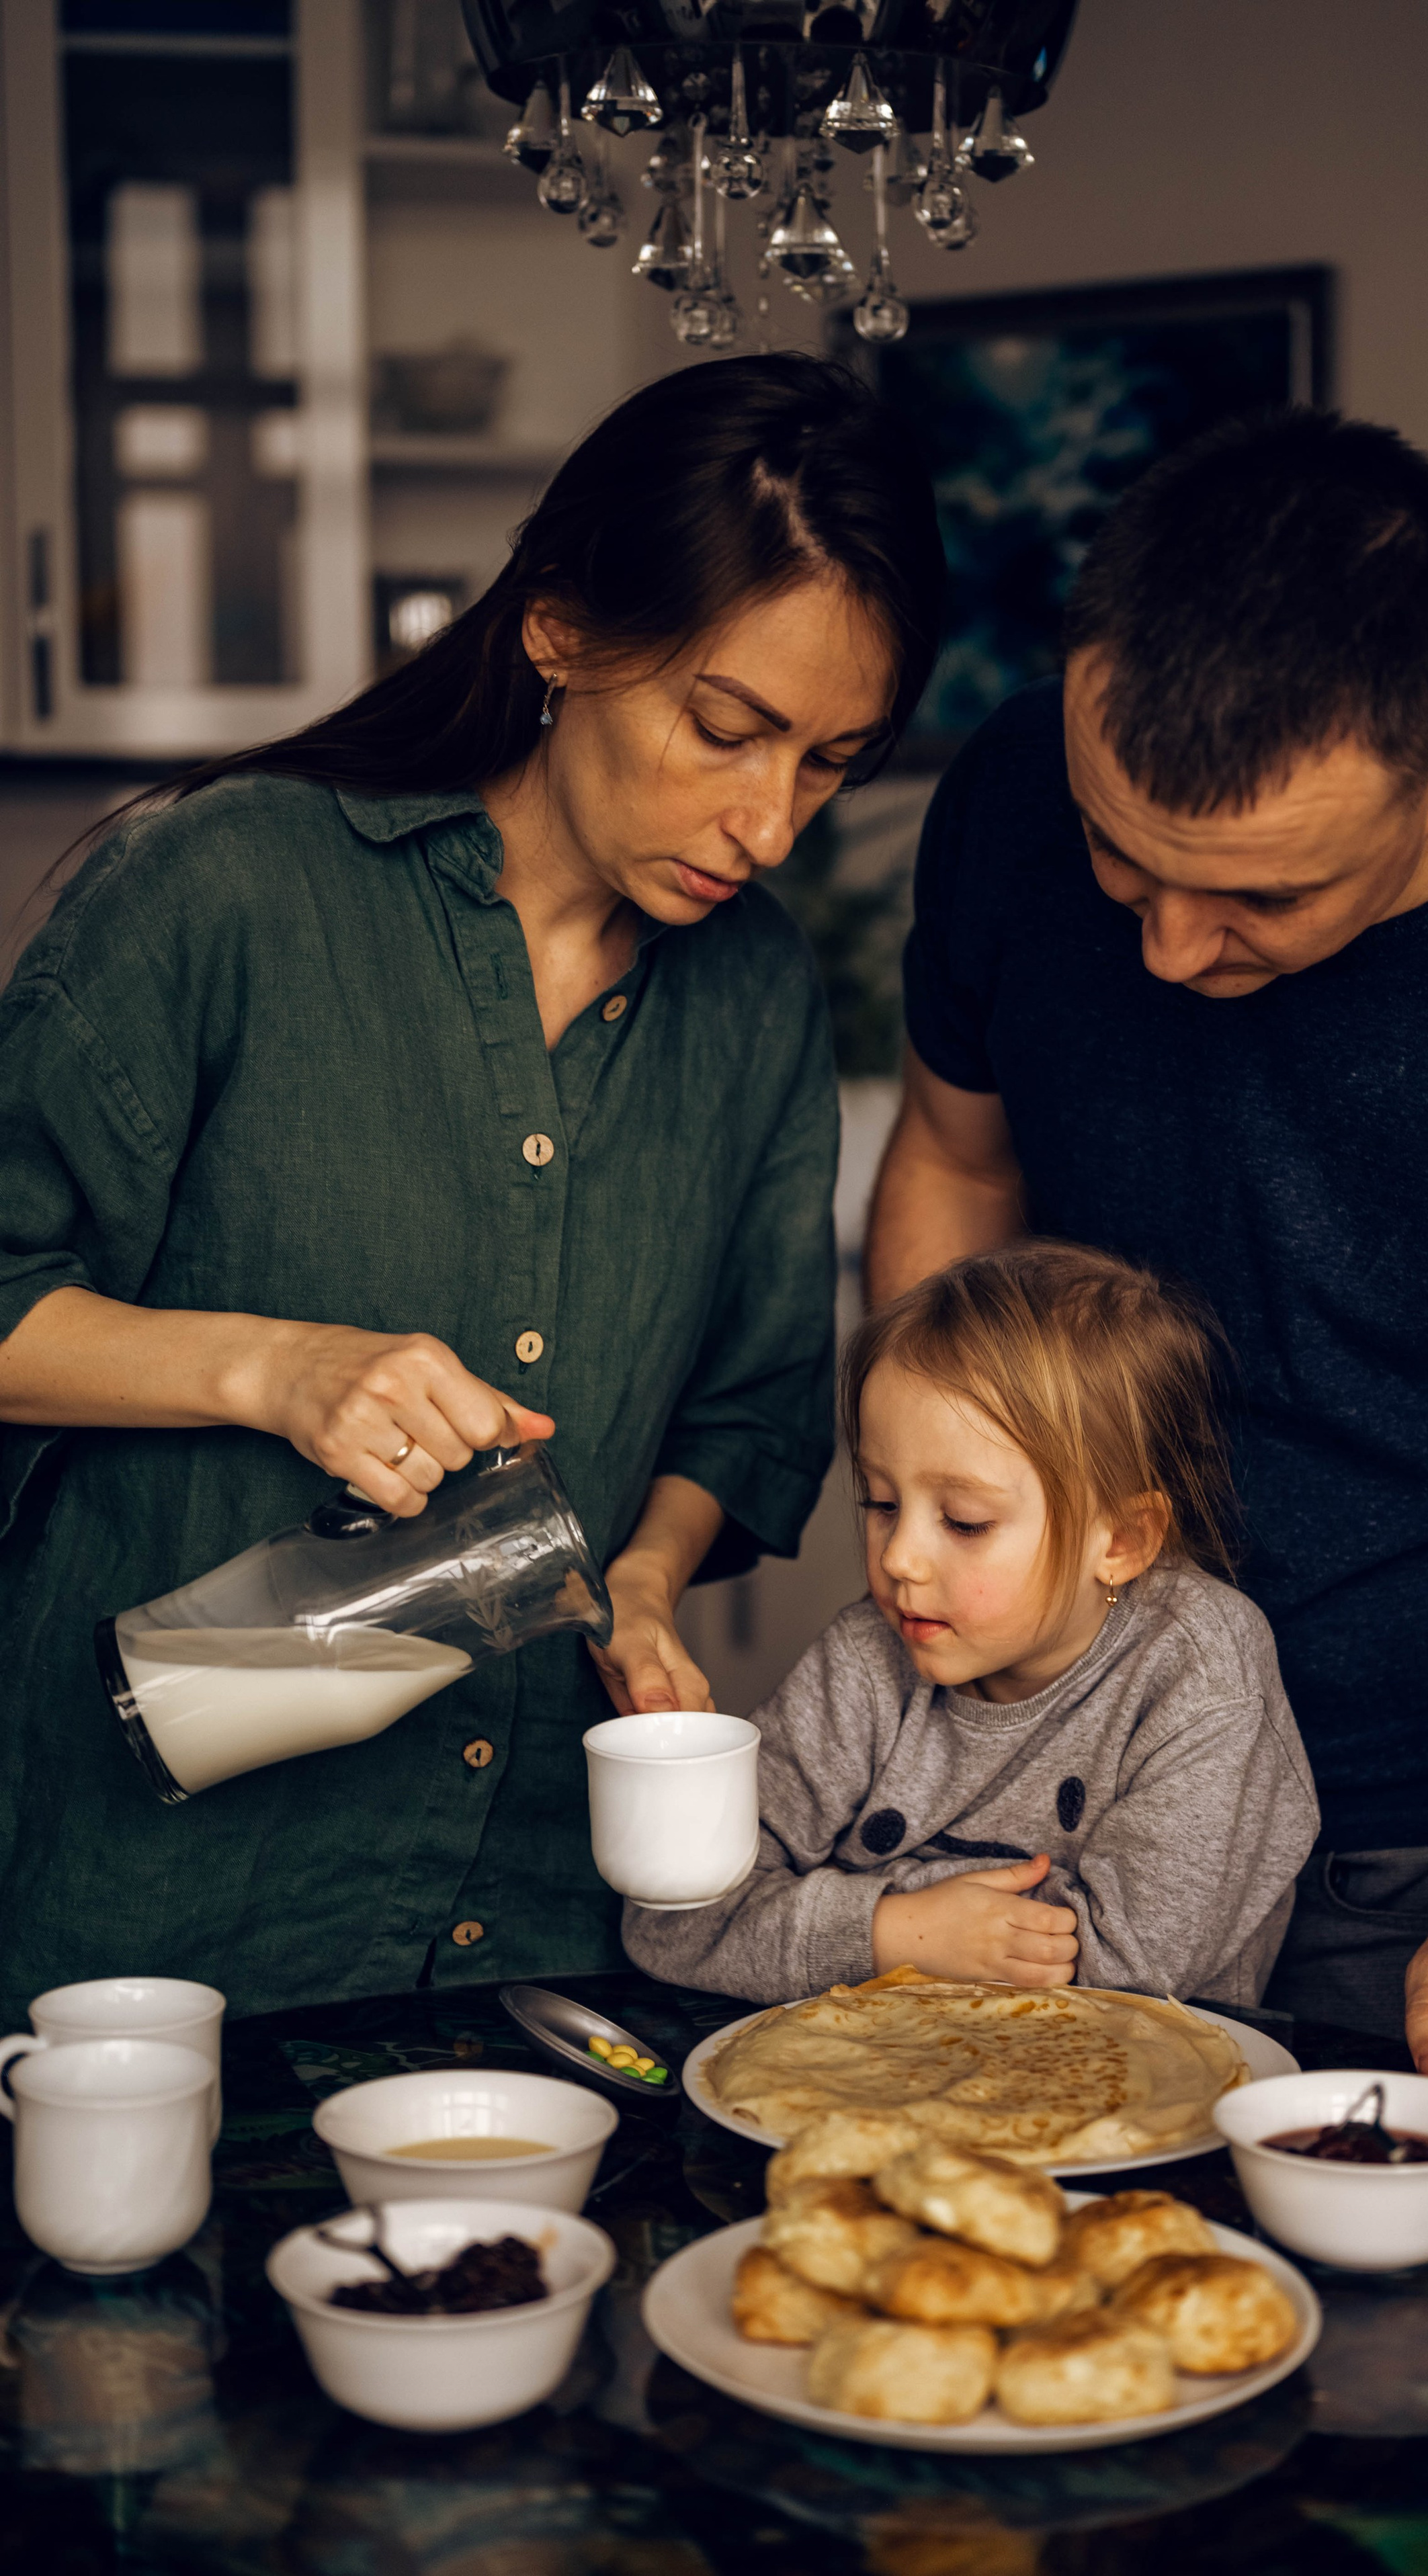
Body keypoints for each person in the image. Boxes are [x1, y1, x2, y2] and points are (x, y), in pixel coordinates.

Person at [0, 354, 944, 2026]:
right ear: (559, 629)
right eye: (726, 729)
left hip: (541, 1914)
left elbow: (744, 1414)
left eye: (827, 764)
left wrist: (644, 1576)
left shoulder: (752, 995)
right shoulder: (230, 888)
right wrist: (274, 1368)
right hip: (166, 1916)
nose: (767, 825)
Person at [866, 409, 1428, 2114]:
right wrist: (937, 1526)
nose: (1169, 950)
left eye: (1257, 897)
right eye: (1121, 861)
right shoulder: (1014, 794)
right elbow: (957, 1159)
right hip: (1041, 1786)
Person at [623, 1242, 1318, 2004]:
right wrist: (897, 1934)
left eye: (964, 1520)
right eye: (882, 1503)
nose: (900, 1558)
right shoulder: (864, 1660)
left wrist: (872, 1918)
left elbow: (1125, 1969)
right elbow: (675, 1918)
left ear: (1120, 1541)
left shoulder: (1202, 1672)